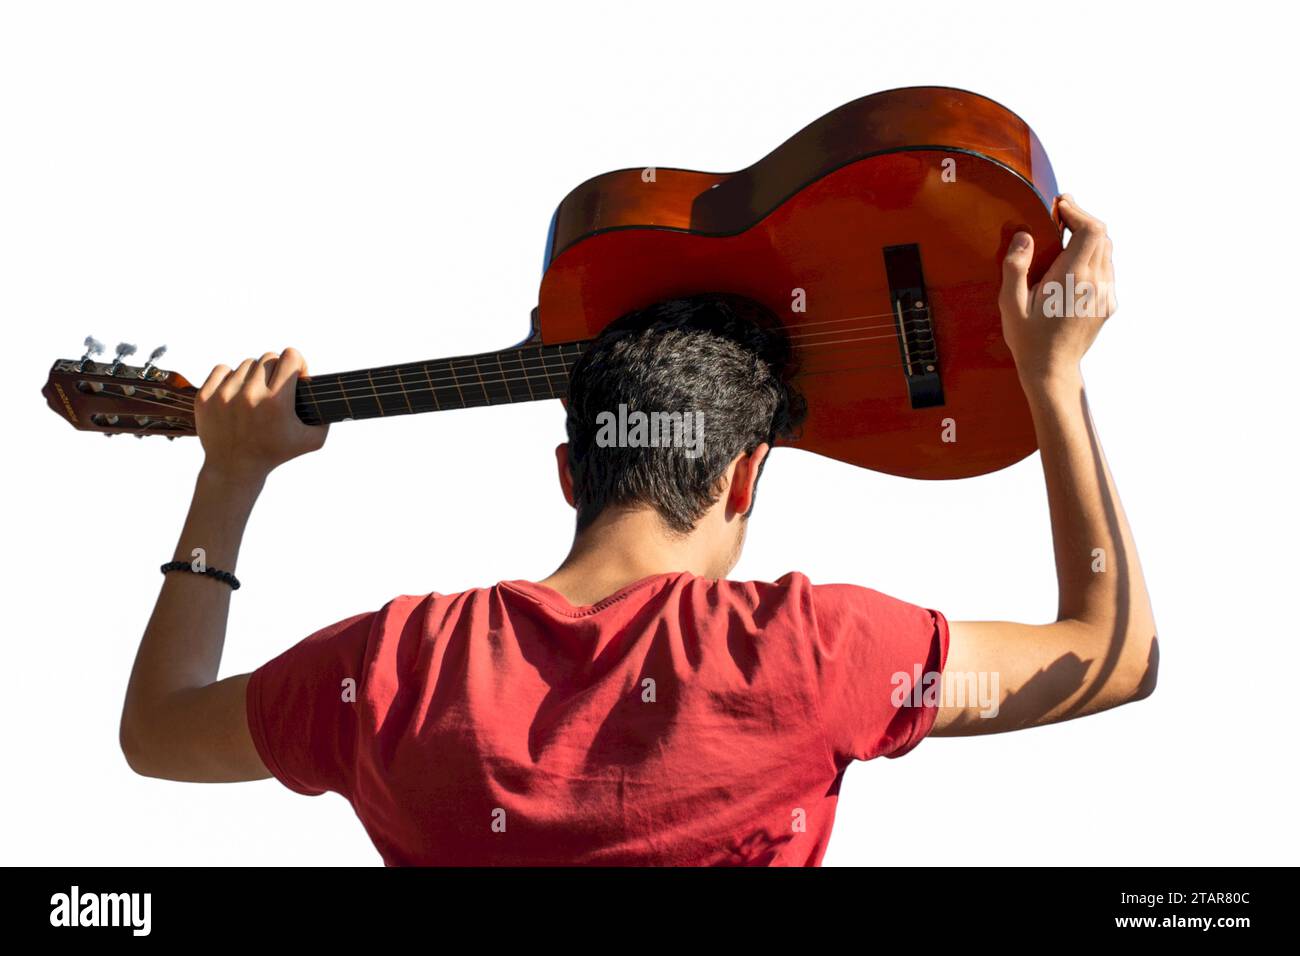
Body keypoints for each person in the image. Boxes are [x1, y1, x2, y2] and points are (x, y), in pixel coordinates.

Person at [119, 195, 1157, 865]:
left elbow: (155, 728)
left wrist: (230, 475)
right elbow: (1110, 653)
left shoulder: (391, 667)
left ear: (570, 470)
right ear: (744, 475)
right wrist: (1051, 376)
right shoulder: (813, 651)